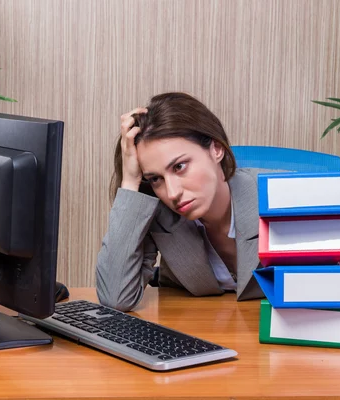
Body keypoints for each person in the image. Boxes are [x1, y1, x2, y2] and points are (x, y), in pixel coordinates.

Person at [96, 92, 264, 311]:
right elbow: (114, 298)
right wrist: (130, 181)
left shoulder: (278, 196)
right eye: (155, 178)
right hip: (196, 332)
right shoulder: (158, 212)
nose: (172, 193)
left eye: (179, 167)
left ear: (216, 149)